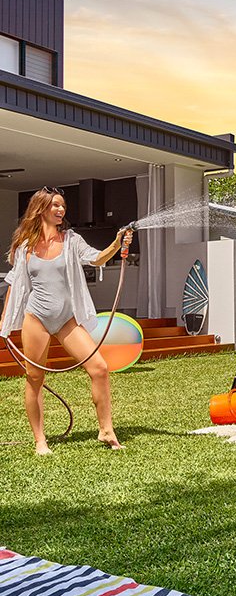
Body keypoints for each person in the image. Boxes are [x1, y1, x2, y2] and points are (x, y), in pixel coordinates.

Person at [0, 187, 132, 455]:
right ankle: (40, 441)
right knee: (35, 377)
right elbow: (15, 282)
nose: (61, 210)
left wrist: (116, 244)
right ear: (41, 209)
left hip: (66, 319)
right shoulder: (25, 246)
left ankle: (106, 430)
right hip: (36, 317)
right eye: (55, 206)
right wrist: (4, 320)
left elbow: (97, 258)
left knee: (99, 368)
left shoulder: (71, 240)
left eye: (62, 206)